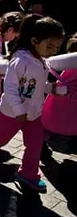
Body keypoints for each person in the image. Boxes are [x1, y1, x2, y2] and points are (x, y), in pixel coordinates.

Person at [0, 15, 65, 193]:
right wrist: (19, 109)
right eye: (50, 46)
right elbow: (10, 88)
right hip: (12, 113)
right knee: (1, 139)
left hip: (34, 113)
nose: (53, 51)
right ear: (34, 40)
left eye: (56, 47)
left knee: (35, 145)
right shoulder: (20, 61)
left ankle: (28, 174)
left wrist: (51, 89)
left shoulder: (41, 61)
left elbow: (35, 85)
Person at [41, 32, 77, 161]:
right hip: (66, 112)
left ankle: (42, 148)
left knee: (45, 130)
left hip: (57, 107)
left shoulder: (68, 66)